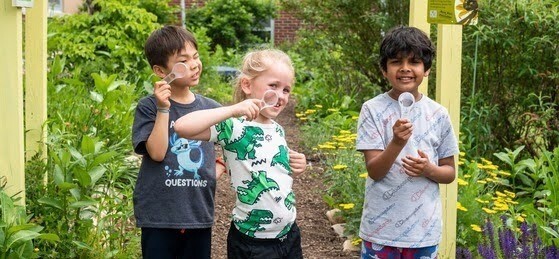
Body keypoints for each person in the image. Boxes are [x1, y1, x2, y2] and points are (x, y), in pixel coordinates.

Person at [174, 48, 307, 259]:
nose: (281, 96)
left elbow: (277, 168)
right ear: (247, 85)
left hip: (289, 235)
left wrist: (298, 164)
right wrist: (233, 110)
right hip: (252, 244)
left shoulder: (278, 129)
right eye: (273, 86)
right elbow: (182, 126)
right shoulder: (233, 127)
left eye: (286, 90)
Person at [355, 26, 459, 258]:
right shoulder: (372, 109)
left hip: (423, 232)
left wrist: (429, 169)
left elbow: (450, 172)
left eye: (414, 62)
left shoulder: (439, 114)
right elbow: (375, 171)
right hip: (380, 230)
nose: (405, 69)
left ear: (427, 69)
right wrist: (396, 143)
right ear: (384, 70)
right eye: (395, 62)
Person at [132, 25, 224, 259]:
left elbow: (234, 146)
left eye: (196, 56)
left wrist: (218, 168)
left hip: (198, 212)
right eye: (184, 60)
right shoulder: (149, 106)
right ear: (161, 71)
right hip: (159, 215)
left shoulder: (211, 109)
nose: (194, 64)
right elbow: (157, 153)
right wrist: (164, 109)